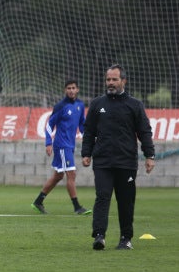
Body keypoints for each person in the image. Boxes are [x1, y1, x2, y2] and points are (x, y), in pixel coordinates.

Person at [81, 64, 155, 251]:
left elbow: (144, 131)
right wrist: (86, 153)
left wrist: (150, 155)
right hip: (103, 161)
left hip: (126, 162)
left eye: (114, 79)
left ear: (124, 81)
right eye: (108, 79)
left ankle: (125, 238)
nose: (111, 83)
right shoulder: (98, 104)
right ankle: (99, 235)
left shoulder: (135, 105)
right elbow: (89, 131)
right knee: (102, 197)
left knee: (125, 201)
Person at [31, 80, 92, 215]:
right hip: (61, 145)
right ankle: (77, 207)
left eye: (73, 88)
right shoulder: (60, 106)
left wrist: (87, 137)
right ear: (65, 90)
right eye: (68, 88)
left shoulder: (80, 105)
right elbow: (49, 125)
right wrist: (48, 143)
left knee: (58, 176)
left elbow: (82, 124)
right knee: (71, 174)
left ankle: (38, 201)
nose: (71, 90)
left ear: (77, 90)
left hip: (70, 145)